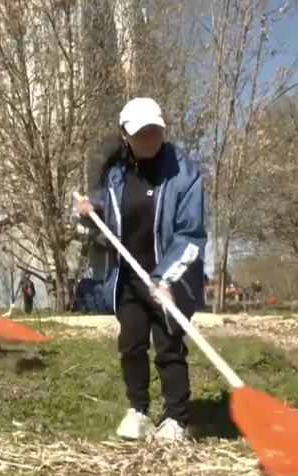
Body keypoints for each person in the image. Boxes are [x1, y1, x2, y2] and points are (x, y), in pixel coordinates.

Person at [76, 97, 206, 443]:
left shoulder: (185, 172)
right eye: (142, 133)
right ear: (125, 135)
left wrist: (165, 279)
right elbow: (109, 211)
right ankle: (139, 411)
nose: (150, 139)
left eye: (156, 132)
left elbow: (191, 236)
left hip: (171, 277)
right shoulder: (117, 174)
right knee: (131, 344)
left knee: (168, 346)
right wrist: (91, 209)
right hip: (129, 277)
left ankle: (176, 419)